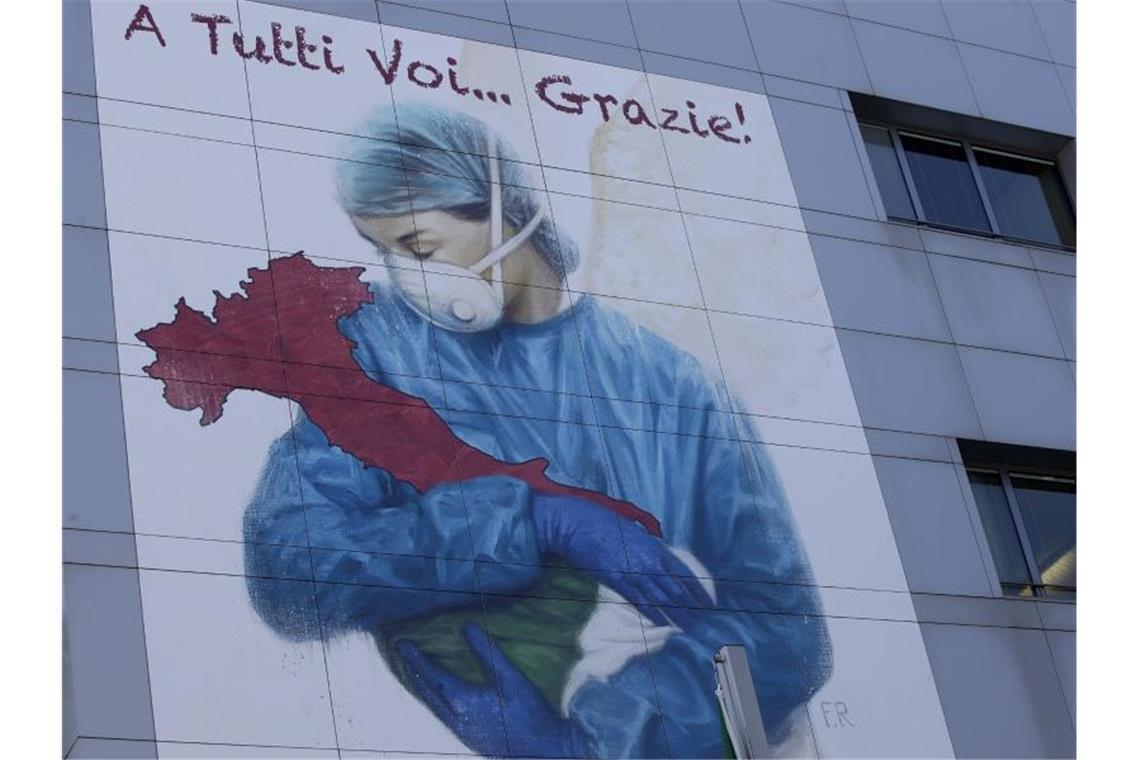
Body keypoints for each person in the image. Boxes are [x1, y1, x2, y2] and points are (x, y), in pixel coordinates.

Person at [243, 103, 831, 758]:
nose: (407, 278)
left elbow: (789, 633)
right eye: (381, 251)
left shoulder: (673, 386)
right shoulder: (381, 354)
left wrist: (591, 746)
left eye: (418, 248)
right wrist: (530, 523)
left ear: (503, 208)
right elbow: (291, 572)